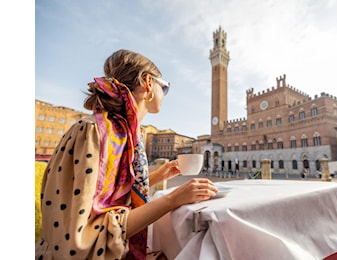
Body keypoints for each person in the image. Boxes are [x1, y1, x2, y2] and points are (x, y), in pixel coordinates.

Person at [35, 49, 218, 260]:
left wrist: (155, 176)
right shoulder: (93, 132)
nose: (165, 93)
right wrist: (174, 199)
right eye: (165, 88)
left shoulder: (124, 133)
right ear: (148, 83)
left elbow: (110, 196)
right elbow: (81, 240)